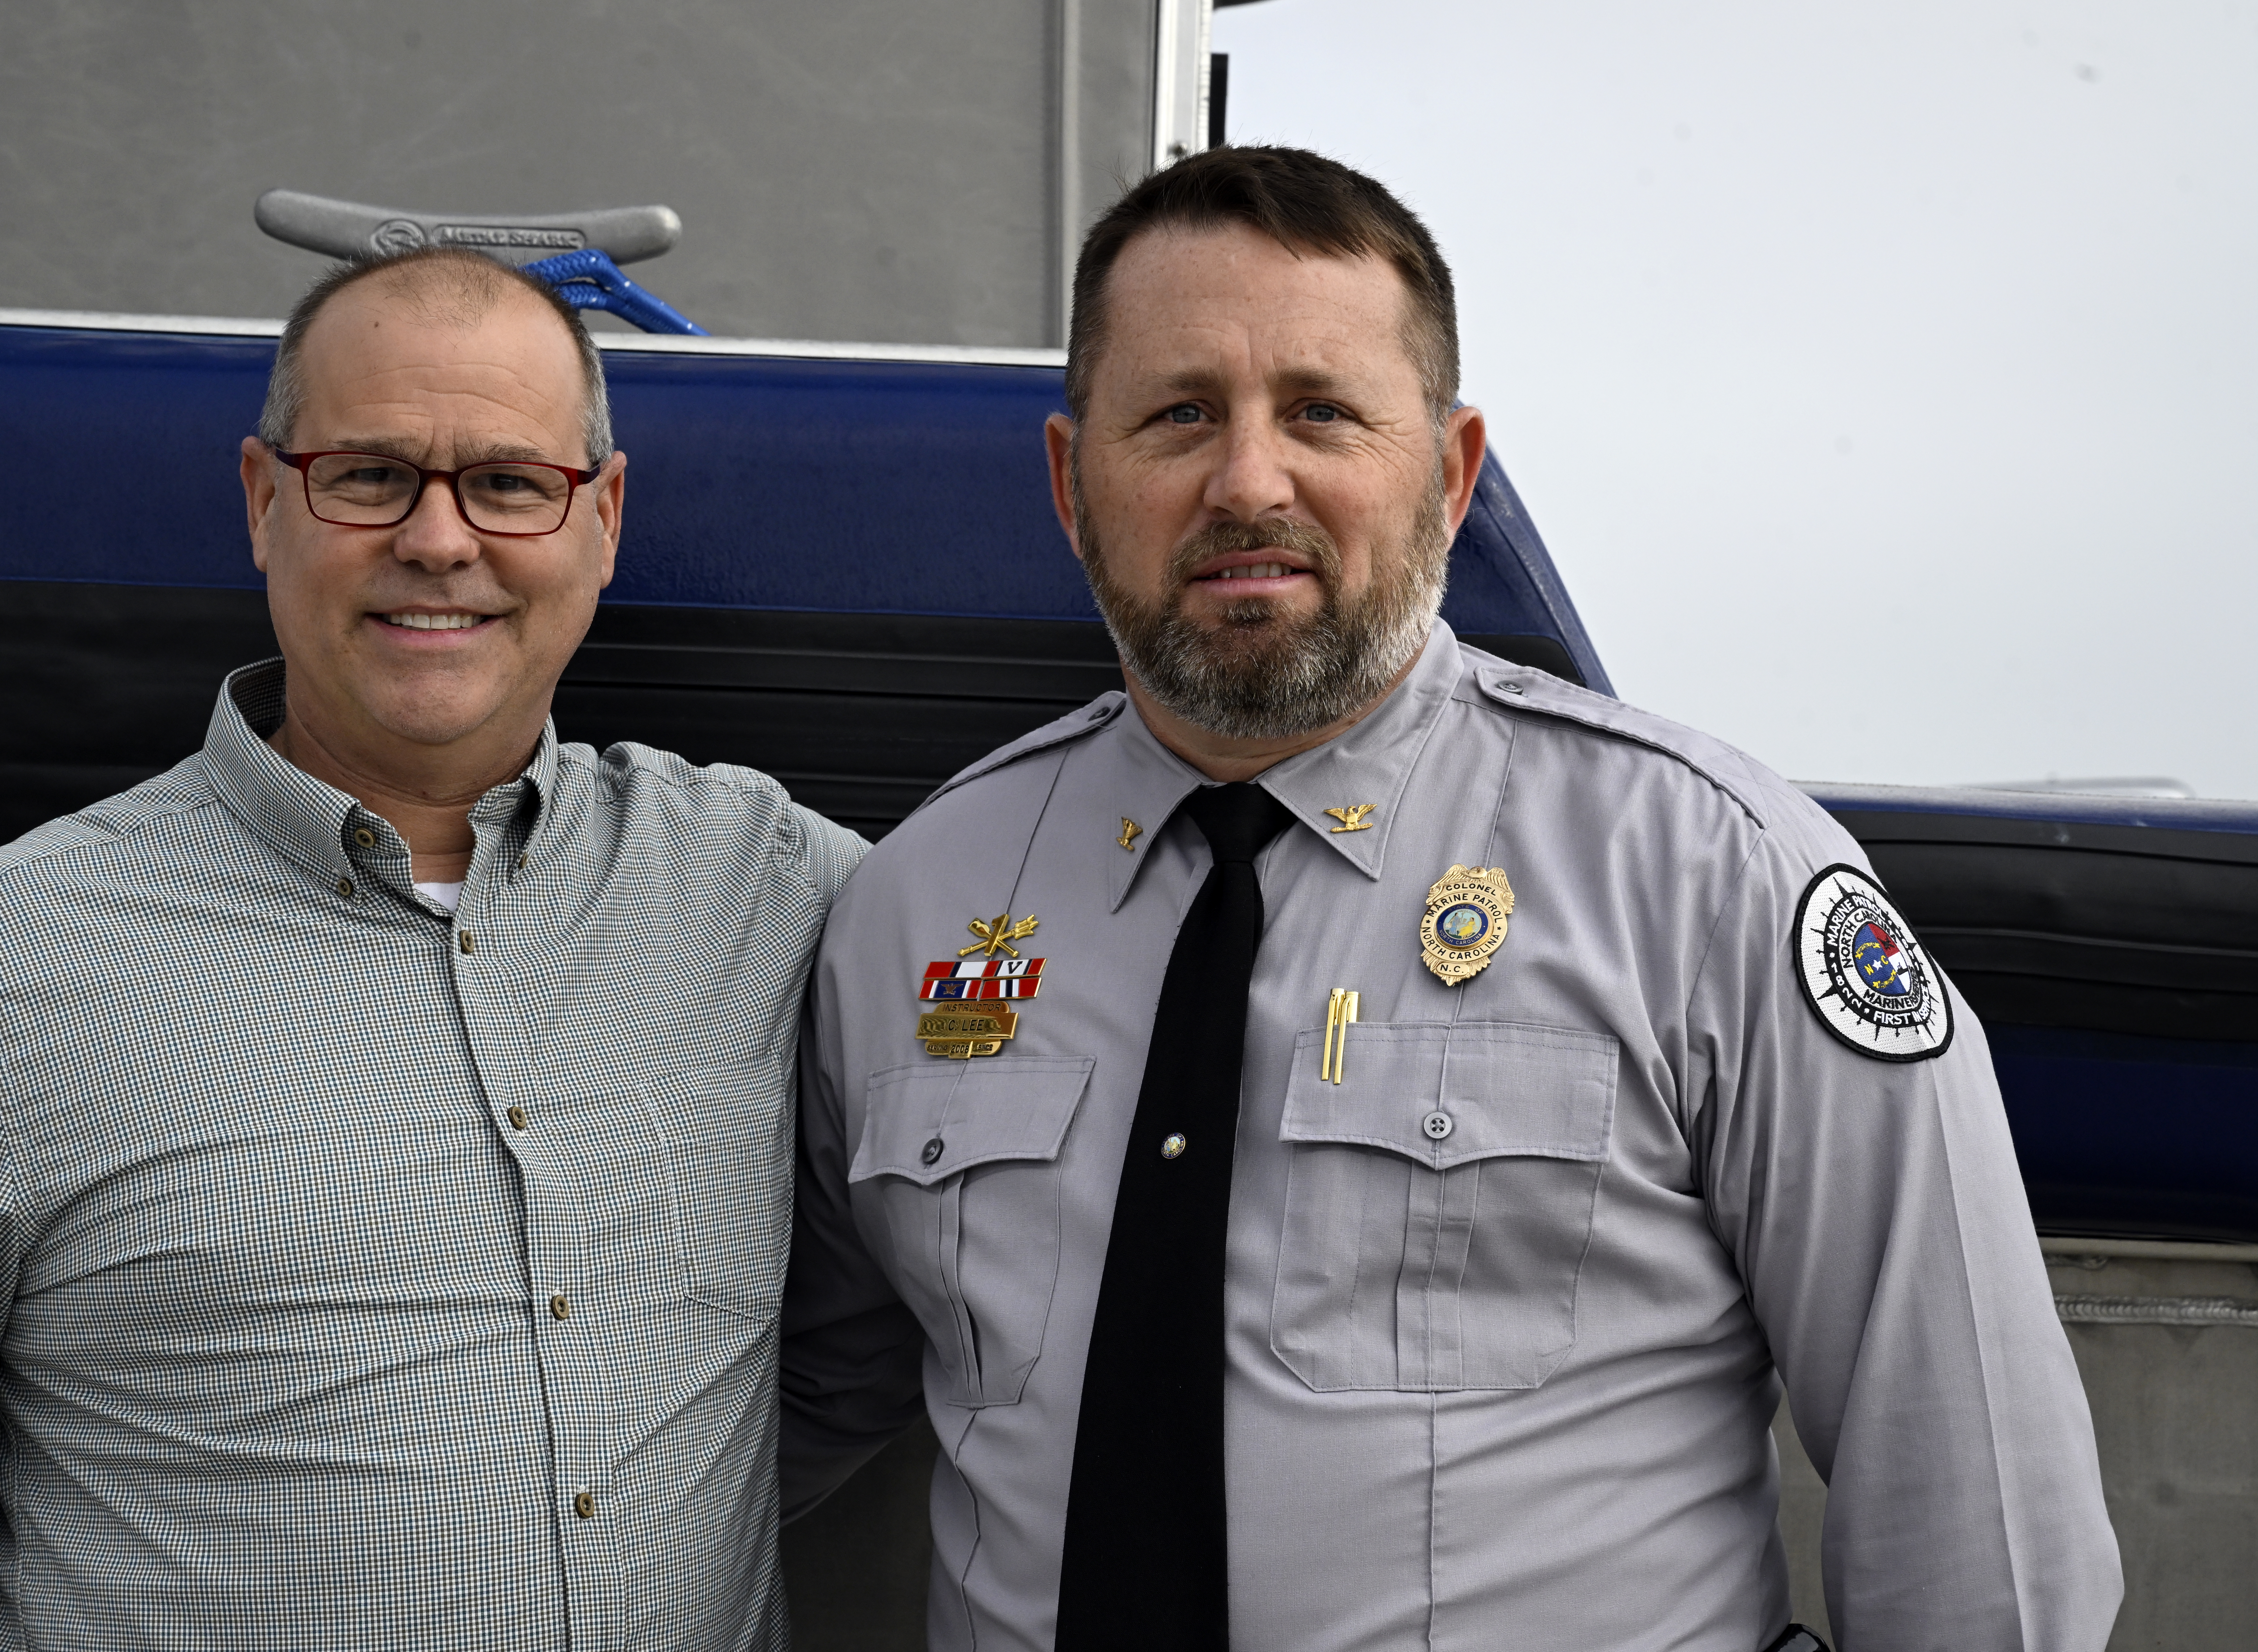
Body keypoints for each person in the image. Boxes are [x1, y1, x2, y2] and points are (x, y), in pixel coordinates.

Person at [780, 146, 2121, 1652]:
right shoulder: (914, 907)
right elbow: (787, 1399)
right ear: (1067, 482)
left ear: (1453, 471)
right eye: (1177, 415)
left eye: (1323, 411)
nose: (1247, 480)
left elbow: (1971, 1490)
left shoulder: (1708, 873)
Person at [0, 246, 862, 1648]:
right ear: (264, 501)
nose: (440, 541)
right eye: (370, 475)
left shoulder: (771, 885)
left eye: (508, 481)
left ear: (601, 519)